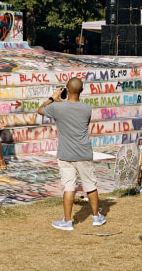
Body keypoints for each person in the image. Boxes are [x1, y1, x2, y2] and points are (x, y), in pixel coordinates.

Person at [38, 77, 106, 230]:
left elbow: (40, 109)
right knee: (90, 185)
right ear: (81, 91)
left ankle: (68, 221)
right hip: (83, 152)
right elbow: (84, 123)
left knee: (69, 187)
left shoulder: (57, 107)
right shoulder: (87, 108)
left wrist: (52, 99)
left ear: (66, 90)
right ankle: (96, 216)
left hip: (65, 153)